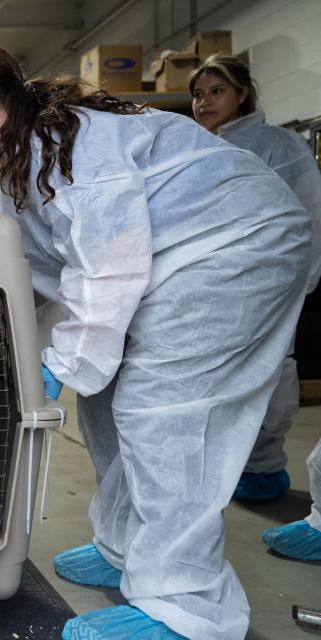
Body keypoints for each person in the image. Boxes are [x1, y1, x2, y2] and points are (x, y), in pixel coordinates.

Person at [0, 44, 311, 640]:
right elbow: (31, 271)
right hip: (175, 260)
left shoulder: (69, 143)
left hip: (235, 247)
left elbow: (108, 262)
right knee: (106, 403)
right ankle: (123, 546)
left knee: (164, 414)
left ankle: (187, 606)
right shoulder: (17, 163)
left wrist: (64, 361)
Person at [189, 54, 321, 507]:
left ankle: (263, 467)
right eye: (199, 93)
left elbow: (310, 214)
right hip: (215, 285)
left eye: (217, 91)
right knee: (217, 378)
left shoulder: (277, 145)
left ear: (242, 93)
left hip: (269, 281)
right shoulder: (194, 146)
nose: (204, 102)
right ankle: (227, 466)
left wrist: (299, 280)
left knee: (269, 374)